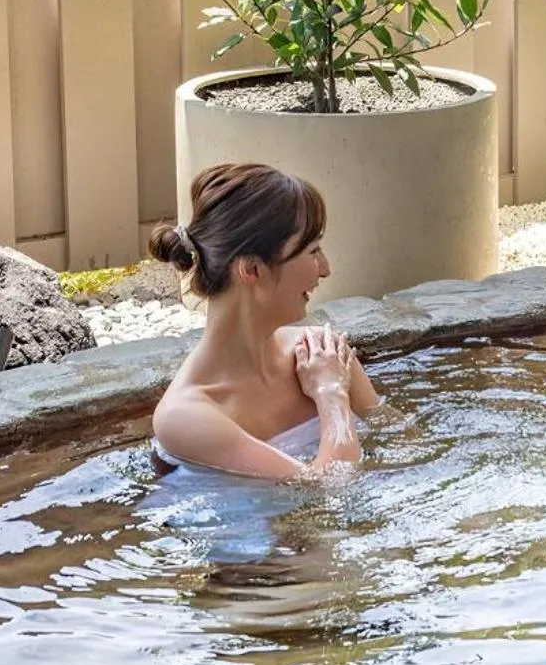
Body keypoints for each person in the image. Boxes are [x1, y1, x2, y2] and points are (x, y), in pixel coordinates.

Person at [147, 162, 380, 480]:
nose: (325, 269)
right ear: (252, 270)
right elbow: (330, 486)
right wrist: (331, 394)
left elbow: (402, 439)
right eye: (313, 250)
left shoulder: (321, 353)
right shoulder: (185, 416)